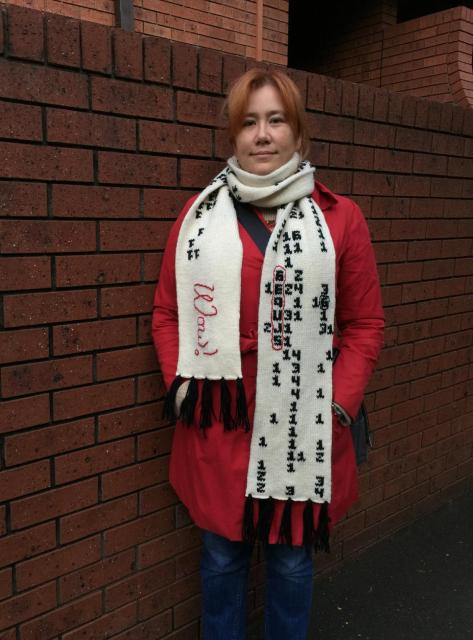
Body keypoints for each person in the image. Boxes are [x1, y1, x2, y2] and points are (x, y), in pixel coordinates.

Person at [152, 68, 384, 640]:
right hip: (220, 420)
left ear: (297, 134)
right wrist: (183, 387)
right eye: (248, 122)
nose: (261, 134)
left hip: (303, 424)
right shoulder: (198, 220)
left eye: (275, 120)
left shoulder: (341, 219)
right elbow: (168, 315)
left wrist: (338, 404)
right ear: (233, 136)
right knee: (223, 559)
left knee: (290, 561)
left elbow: (364, 324)